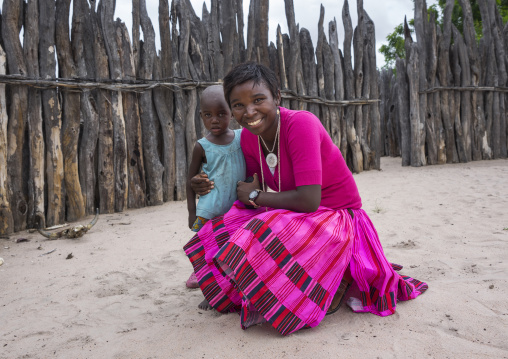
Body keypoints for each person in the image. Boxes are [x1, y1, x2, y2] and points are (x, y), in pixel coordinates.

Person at [185, 62, 427, 336]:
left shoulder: (300, 123)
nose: (249, 112)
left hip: (338, 218)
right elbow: (251, 187)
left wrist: (255, 195)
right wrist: (206, 184)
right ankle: (234, 289)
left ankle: (338, 279)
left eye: (258, 100)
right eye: (238, 105)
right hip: (303, 214)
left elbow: (309, 200)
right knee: (225, 223)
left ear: (277, 96)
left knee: (261, 228)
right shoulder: (249, 139)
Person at [185, 85, 246, 297]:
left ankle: (228, 279)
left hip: (236, 207)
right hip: (210, 207)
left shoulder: (242, 137)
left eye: (221, 114)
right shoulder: (201, 146)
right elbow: (190, 180)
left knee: (229, 244)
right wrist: (192, 212)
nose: (215, 120)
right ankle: (200, 274)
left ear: (231, 113)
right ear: (201, 116)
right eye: (208, 115)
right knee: (206, 244)